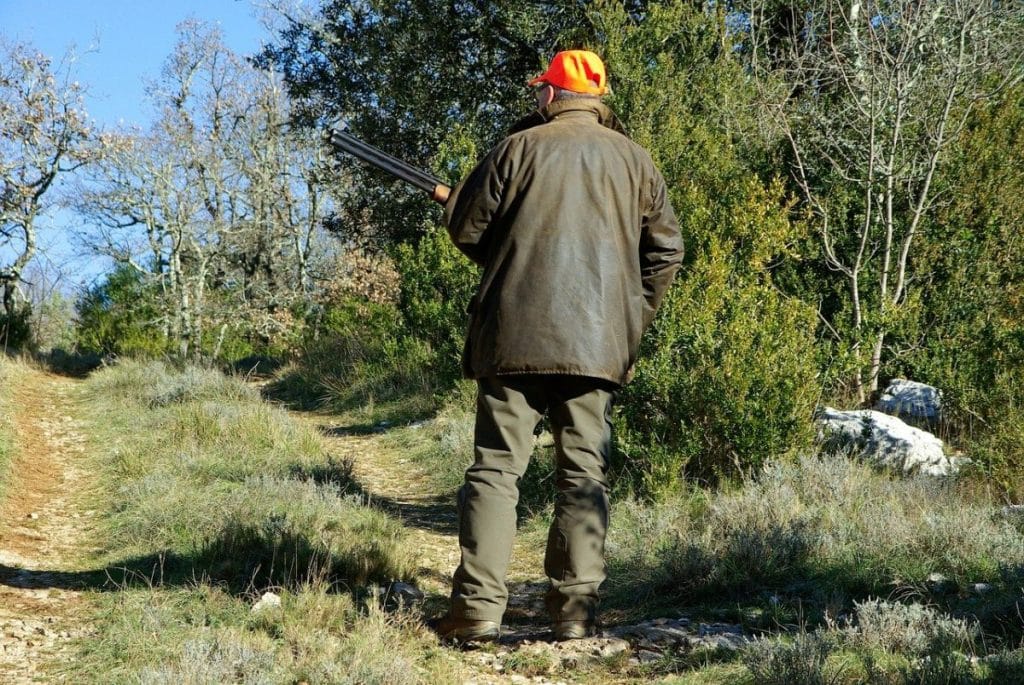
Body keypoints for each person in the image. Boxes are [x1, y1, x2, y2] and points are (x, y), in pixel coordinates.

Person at [433, 50, 683, 644]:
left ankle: (476, 614)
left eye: (540, 90)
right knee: (583, 475)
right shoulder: (637, 161)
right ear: (598, 100)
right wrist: (629, 319)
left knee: (496, 471)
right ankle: (574, 613)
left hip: (511, 339)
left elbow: (469, 229)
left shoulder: (516, 149)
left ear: (550, 95)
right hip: (599, 346)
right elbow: (666, 254)